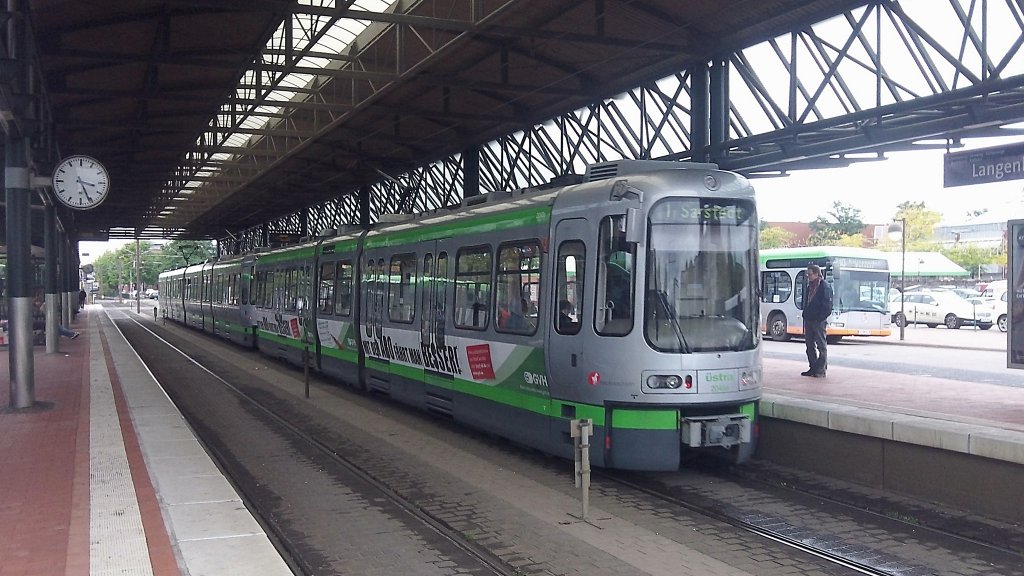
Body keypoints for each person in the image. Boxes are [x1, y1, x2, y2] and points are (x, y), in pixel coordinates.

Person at [801, 264, 832, 377]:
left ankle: (821, 369)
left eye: (810, 274)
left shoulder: (824, 286)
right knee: (809, 345)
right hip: (809, 319)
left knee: (821, 346)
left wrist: (820, 318)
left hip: (818, 320)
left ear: (816, 274)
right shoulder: (810, 286)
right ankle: (813, 367)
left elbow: (827, 306)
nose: (808, 276)